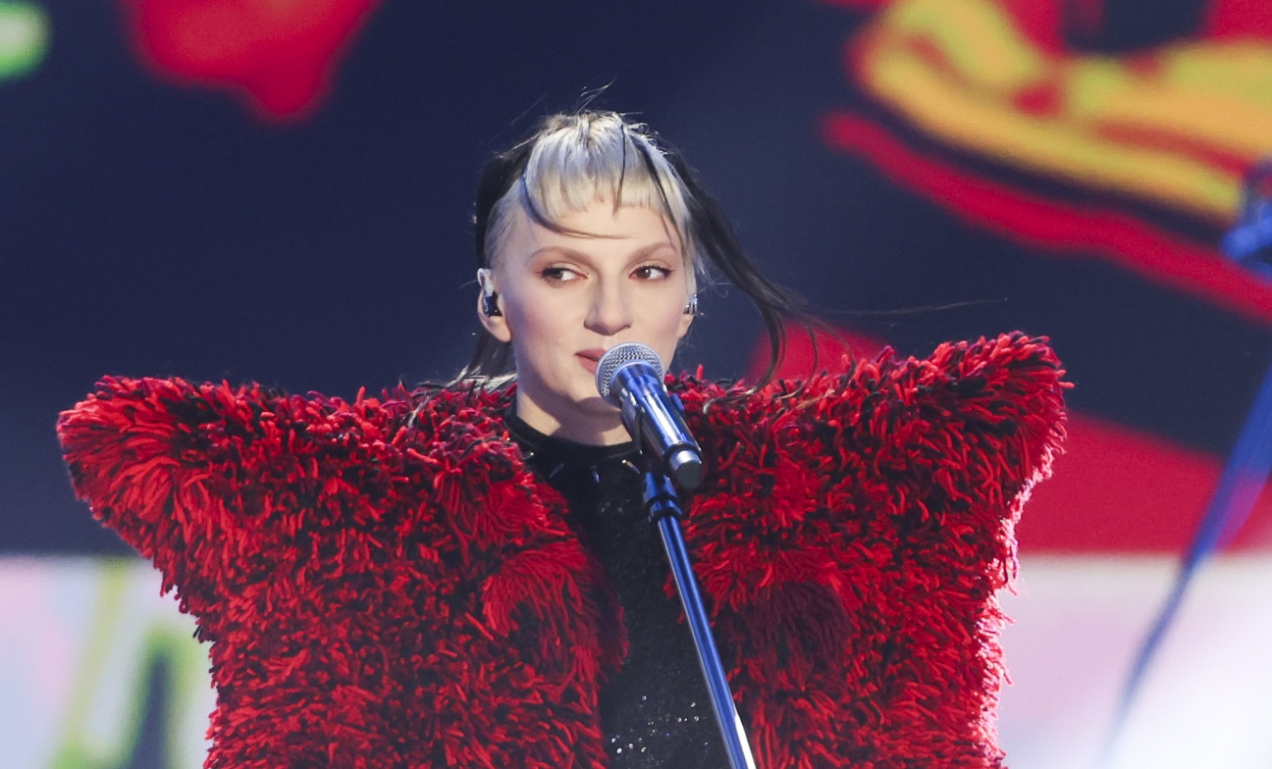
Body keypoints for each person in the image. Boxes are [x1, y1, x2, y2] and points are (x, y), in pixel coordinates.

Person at [58, 110, 1068, 768]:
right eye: (563, 273)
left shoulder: (789, 491)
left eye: (649, 272)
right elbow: (116, 435)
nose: (610, 313)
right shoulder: (392, 502)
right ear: (495, 303)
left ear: (688, 301)